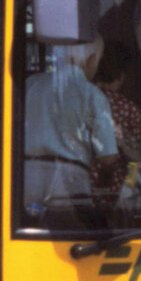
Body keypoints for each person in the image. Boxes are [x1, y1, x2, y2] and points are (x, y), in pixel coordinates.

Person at [23, 35, 117, 222]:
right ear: (92, 59)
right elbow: (108, 157)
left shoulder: (29, 84)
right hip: (69, 185)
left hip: (25, 180)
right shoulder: (93, 95)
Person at [93, 43, 141, 189]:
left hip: (85, 186)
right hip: (117, 188)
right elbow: (135, 158)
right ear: (121, 77)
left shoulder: (84, 101)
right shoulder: (130, 109)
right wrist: (131, 192)